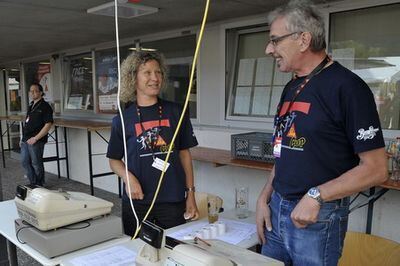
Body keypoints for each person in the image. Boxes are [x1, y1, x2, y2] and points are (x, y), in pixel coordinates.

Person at [256, 1, 388, 265]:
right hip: (276, 210)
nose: (269, 49)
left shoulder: (348, 87)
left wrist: (317, 195)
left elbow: (376, 169)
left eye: (275, 40)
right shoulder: (292, 86)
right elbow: (284, 148)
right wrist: (264, 197)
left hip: (316, 217)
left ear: (303, 39)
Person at [107, 51, 199, 236]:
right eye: (147, 73)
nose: (154, 78)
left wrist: (191, 194)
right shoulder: (123, 120)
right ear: (133, 78)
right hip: (137, 201)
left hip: (172, 200)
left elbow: (184, 155)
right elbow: (114, 160)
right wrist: (128, 179)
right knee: (138, 252)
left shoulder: (176, 112)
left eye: (158, 72)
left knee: (174, 251)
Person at [21, 83, 53, 186]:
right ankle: (33, 183)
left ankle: (39, 185)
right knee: (25, 162)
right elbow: (26, 122)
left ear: (41, 93)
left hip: (36, 140)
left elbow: (48, 124)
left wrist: (35, 138)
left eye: (35, 91)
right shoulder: (31, 105)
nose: (33, 93)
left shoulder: (45, 106)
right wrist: (22, 138)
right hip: (26, 139)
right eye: (31, 91)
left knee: (36, 163)